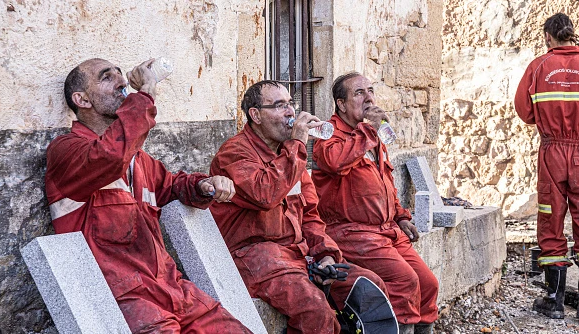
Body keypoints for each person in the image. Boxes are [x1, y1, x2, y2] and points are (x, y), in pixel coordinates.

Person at [45, 58, 251, 333]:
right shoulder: (67, 151)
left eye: (120, 74)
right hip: (124, 296)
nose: (121, 81)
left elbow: (171, 184)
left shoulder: (138, 160)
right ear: (81, 100)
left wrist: (204, 185)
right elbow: (110, 156)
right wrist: (145, 95)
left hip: (170, 287)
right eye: (107, 78)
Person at [209, 80, 392, 334]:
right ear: (256, 115)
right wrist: (297, 146)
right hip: (254, 256)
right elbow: (266, 194)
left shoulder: (289, 154)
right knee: (316, 312)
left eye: (290, 104)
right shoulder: (235, 153)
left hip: (296, 254)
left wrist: (325, 254)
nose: (290, 113)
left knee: (369, 285)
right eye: (279, 105)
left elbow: (310, 215)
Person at [311, 72, 439, 334]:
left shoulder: (372, 134)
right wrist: (369, 129)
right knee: (405, 281)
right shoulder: (329, 134)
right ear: (341, 104)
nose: (368, 97)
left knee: (427, 285)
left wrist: (401, 215)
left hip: (387, 230)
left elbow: (385, 180)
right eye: (359, 93)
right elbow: (334, 161)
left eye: (370, 90)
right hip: (351, 232)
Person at [514, 12, 579, 319]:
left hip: (553, 151)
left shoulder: (539, 66)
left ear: (548, 38)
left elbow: (525, 113)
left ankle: (554, 301)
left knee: (550, 220)